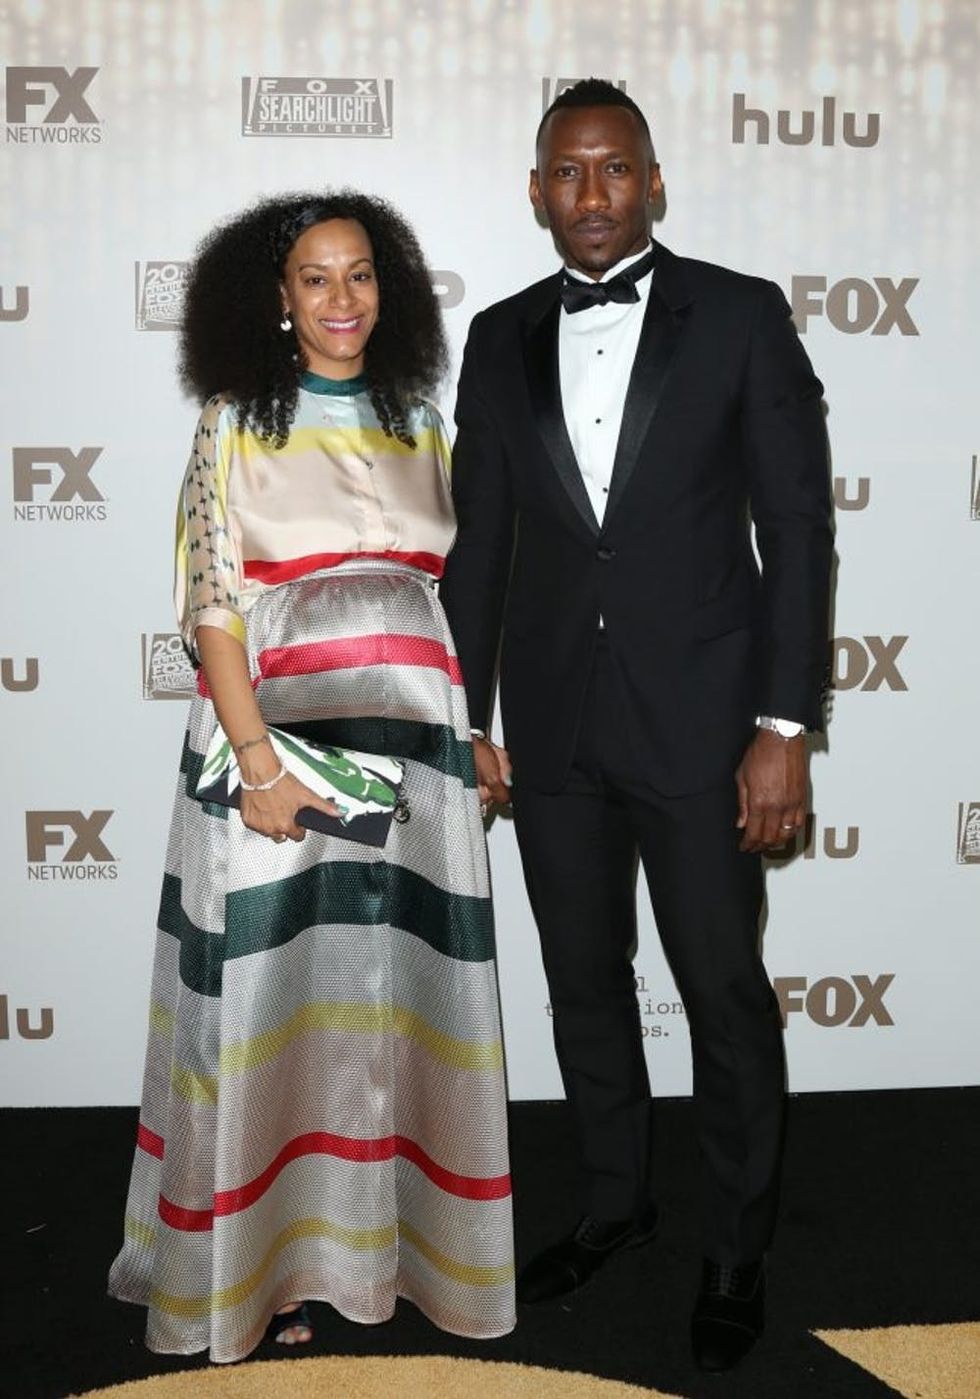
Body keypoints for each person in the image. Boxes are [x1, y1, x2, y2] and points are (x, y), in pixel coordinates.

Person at [439, 79, 832, 1373]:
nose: (592, 193)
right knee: (583, 981)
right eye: (568, 171)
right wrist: (462, 717)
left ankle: (735, 1243)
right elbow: (479, 547)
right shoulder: (497, 338)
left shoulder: (740, 315)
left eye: (615, 169)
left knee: (720, 987)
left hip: (709, 728)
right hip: (554, 730)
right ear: (536, 192)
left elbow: (798, 530)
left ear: (654, 183)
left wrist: (783, 725)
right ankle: (615, 1200)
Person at [108, 192, 515, 1362]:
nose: (342, 298)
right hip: (277, 752)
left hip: (416, 756)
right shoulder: (234, 423)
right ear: (277, 301)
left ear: (390, 292)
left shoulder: (421, 423)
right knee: (273, 1008)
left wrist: (473, 733)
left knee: (397, 1006)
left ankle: (401, 1258)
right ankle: (257, 1273)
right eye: (315, 278)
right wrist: (254, 763)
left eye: (361, 274)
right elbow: (211, 604)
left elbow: (438, 598)